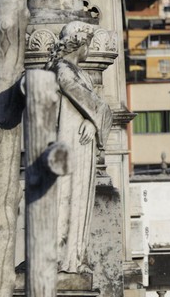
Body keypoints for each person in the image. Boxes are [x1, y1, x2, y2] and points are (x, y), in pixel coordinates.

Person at [46, 21, 113, 273]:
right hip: (68, 144)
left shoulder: (75, 70)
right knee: (68, 197)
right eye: (88, 42)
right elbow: (94, 103)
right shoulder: (63, 70)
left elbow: (91, 106)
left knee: (78, 198)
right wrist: (97, 117)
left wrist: (92, 122)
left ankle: (74, 257)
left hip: (79, 143)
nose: (90, 48)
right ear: (79, 42)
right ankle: (65, 259)